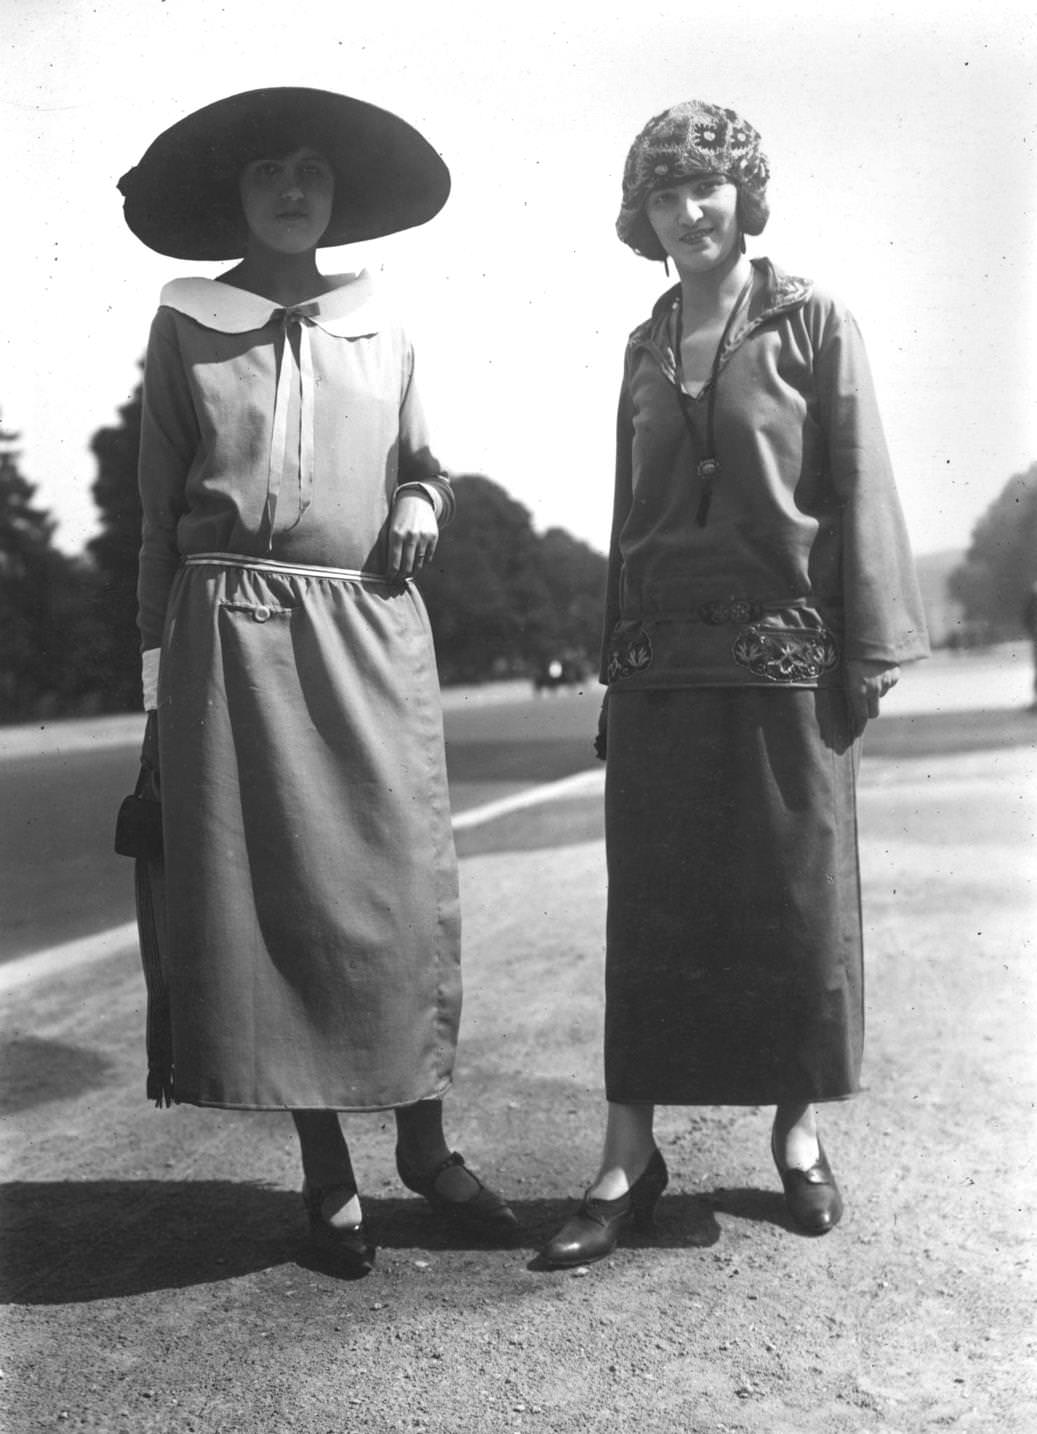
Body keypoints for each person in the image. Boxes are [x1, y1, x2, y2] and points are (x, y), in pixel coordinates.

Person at [117, 87, 516, 1277]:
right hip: (227, 635)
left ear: (336, 194)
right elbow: (153, 523)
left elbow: (430, 464)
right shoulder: (187, 321)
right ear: (235, 196)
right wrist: (152, 697)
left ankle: (427, 1150)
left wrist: (416, 501)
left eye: (312, 171)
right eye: (266, 173)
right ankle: (327, 1172)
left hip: (367, 628)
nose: (293, 189)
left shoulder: (382, 323)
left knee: (393, 900)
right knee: (271, 908)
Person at [540, 100, 929, 1267]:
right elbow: (628, 520)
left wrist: (865, 653)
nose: (689, 211)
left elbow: (859, 483)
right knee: (652, 916)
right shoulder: (641, 345)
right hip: (661, 667)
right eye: (665, 193)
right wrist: (615, 662)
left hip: (785, 666)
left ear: (743, 197)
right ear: (641, 214)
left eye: (707, 187)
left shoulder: (811, 321)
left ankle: (796, 1140)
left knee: (793, 912)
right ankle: (626, 1156)